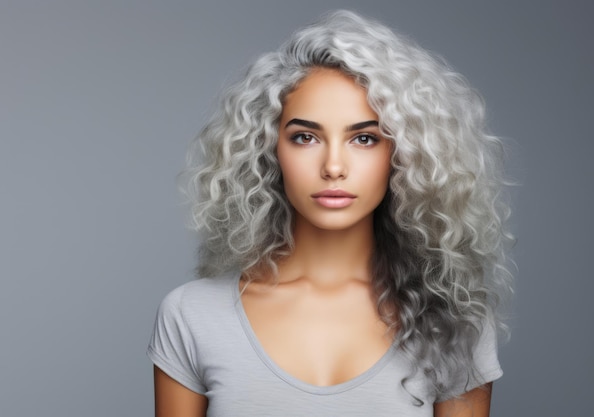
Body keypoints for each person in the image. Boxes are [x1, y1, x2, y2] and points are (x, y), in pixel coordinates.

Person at [148, 10, 513, 417]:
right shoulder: (194, 315)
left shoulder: (454, 323)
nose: (333, 166)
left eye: (364, 138)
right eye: (305, 137)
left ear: (404, 154)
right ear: (270, 149)